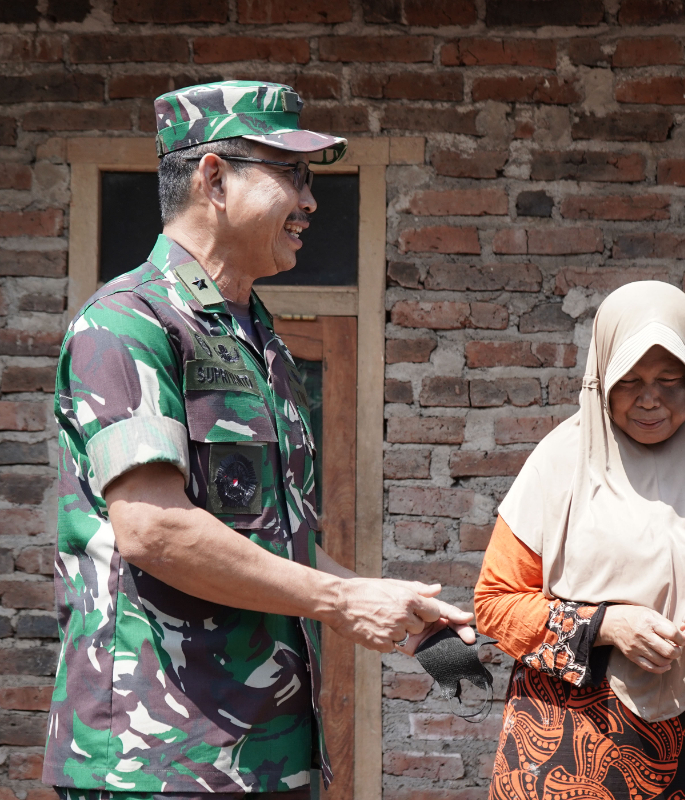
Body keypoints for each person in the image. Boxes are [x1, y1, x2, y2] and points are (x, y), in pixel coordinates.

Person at [45, 81, 473, 800]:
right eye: (291, 174)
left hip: (265, 757)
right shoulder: (127, 324)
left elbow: (279, 542)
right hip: (155, 766)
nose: (309, 201)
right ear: (213, 178)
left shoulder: (256, 338)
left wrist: (372, 596)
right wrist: (339, 604)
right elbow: (153, 529)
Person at [474, 281, 685, 800]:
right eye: (628, 381)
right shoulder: (557, 467)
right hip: (563, 756)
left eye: (670, 380)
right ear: (601, 377)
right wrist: (604, 626)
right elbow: (495, 603)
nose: (649, 399)